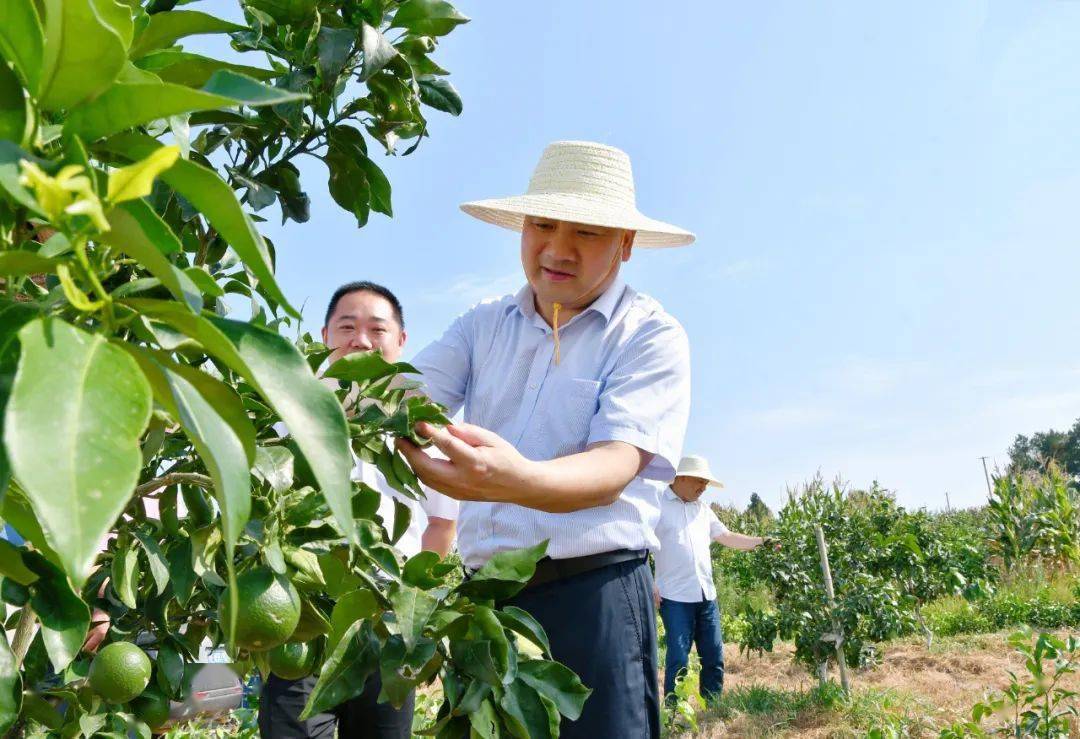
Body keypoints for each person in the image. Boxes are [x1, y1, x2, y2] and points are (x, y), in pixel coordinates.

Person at [399, 140, 695, 738]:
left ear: (625, 245)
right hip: (488, 607)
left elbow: (615, 463)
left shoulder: (649, 336)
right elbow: (405, 394)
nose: (558, 249)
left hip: (594, 596)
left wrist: (514, 481)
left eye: (587, 232)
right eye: (542, 225)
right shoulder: (483, 325)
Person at [259, 281, 457, 739]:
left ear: (401, 341)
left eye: (377, 328)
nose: (361, 340)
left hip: (386, 628)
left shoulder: (423, 420)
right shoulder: (286, 415)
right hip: (301, 624)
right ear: (326, 334)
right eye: (347, 327)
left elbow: (442, 524)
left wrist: (413, 610)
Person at [653, 454, 772, 703]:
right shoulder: (657, 504)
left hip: (706, 595)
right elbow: (641, 546)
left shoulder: (703, 509)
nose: (704, 488)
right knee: (678, 656)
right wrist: (649, 583)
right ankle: (675, 712)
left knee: (714, 654)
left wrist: (761, 542)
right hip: (674, 597)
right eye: (700, 481)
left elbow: (726, 536)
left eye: (707, 483)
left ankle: (713, 706)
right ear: (681, 477)